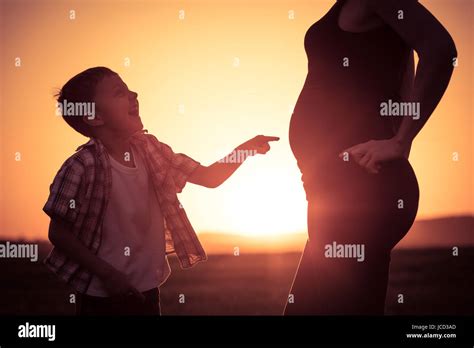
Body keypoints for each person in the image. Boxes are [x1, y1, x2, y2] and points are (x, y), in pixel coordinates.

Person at [44, 66, 279, 315]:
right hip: (102, 296)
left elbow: (210, 177)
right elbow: (59, 233)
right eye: (119, 92)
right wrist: (108, 274)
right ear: (94, 117)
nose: (133, 94)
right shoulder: (81, 166)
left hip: (147, 289)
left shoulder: (151, 151)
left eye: (129, 89)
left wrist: (246, 149)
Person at [285, 0, 456, 315]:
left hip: (361, 191)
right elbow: (404, 74)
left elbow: (441, 50)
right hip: (334, 194)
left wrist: (401, 141)